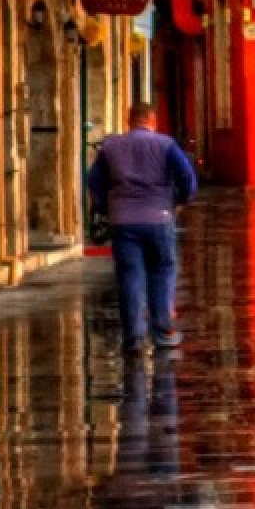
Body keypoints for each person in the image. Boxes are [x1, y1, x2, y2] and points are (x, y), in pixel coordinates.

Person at [85, 106, 199, 349]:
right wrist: (180, 200)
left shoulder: (111, 147)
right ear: (152, 120)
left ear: (129, 120)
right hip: (159, 217)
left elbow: (94, 181)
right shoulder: (165, 144)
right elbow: (187, 177)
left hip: (123, 221)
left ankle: (134, 336)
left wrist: (106, 207)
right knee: (162, 271)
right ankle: (162, 332)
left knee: (130, 275)